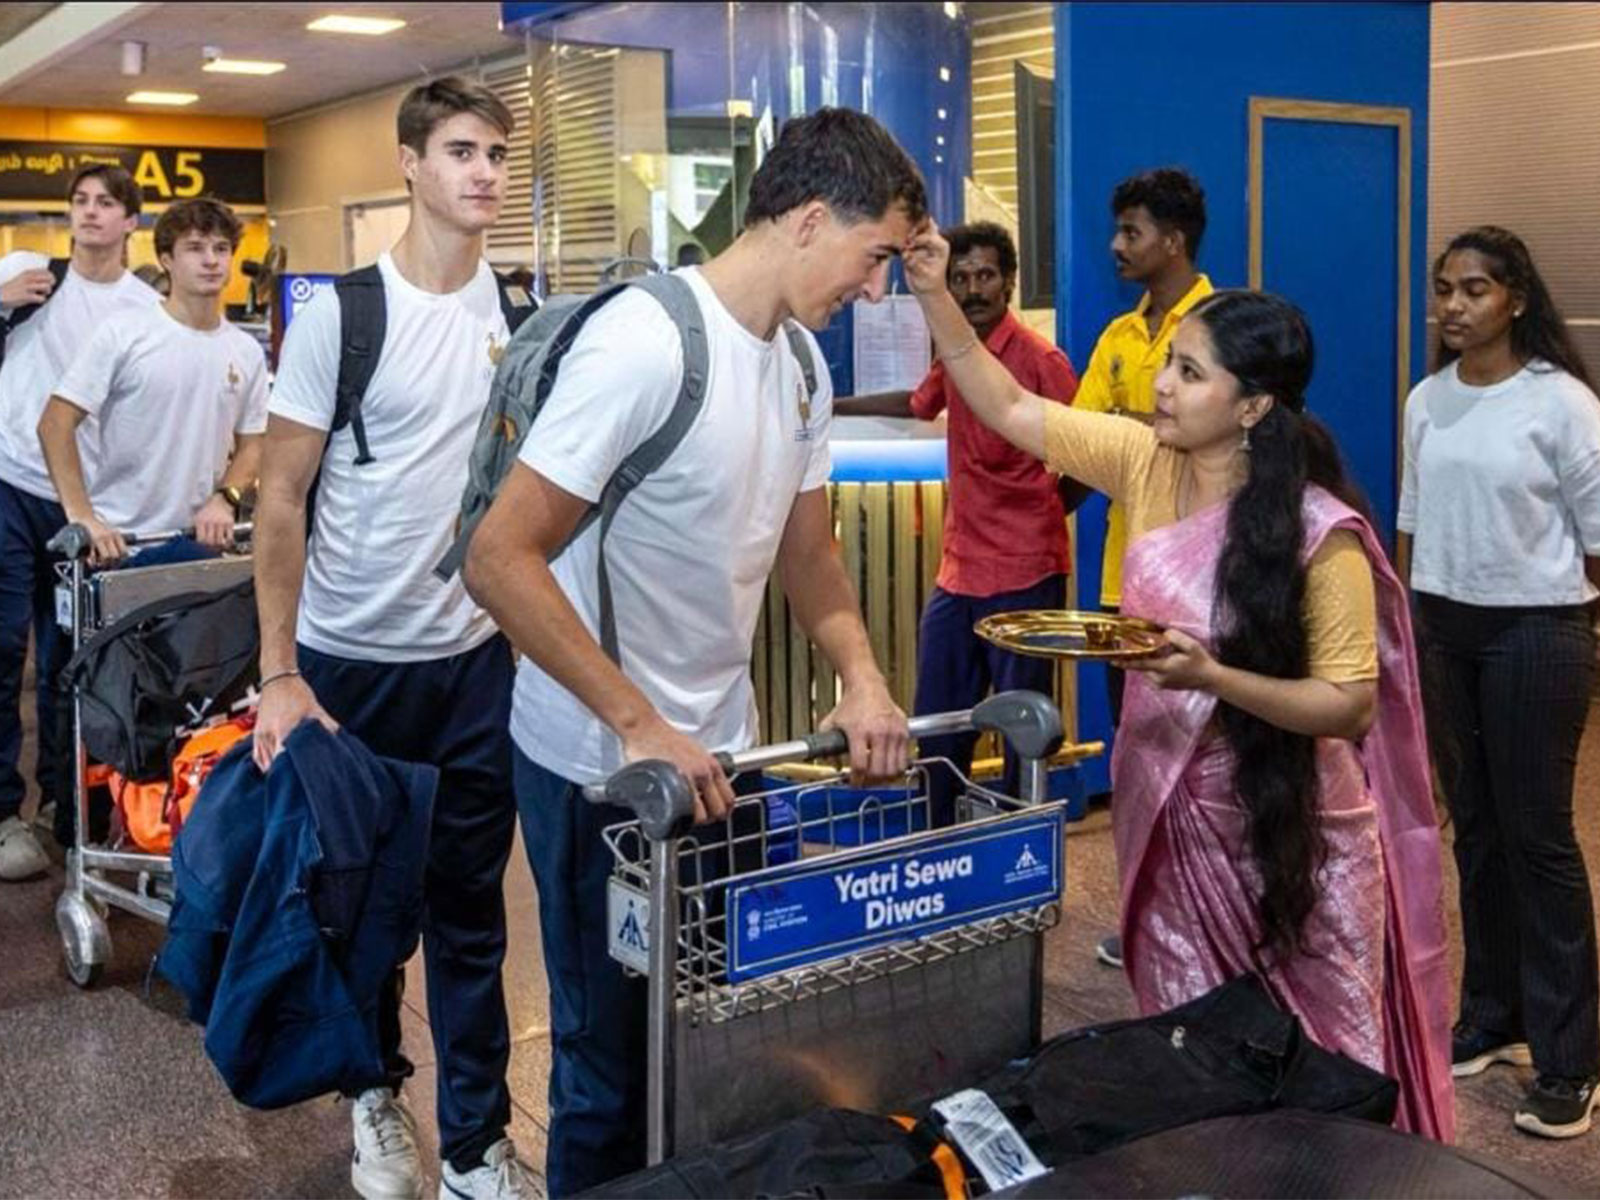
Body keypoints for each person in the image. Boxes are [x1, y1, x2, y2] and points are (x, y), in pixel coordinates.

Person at [901, 221, 1455, 1141]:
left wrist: (1213, 677)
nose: (1161, 385)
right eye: (1170, 365)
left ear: (1252, 407)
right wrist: (930, 291)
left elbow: (1347, 702)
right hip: (1167, 818)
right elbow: (1008, 407)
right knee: (1192, 1053)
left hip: (1294, 836)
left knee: (1319, 1063)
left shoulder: (1321, 535)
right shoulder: (1142, 461)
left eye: (1191, 373)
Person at [463, 107, 918, 1195]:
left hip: (721, 766)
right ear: (811, 220)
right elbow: (499, 558)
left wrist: (860, 673)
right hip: (599, 770)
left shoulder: (801, 367)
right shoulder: (647, 344)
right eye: (875, 256)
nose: (875, 288)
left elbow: (807, 555)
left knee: (717, 1038)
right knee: (607, 1067)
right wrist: (637, 724)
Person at [251, 78, 538, 1200]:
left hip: (473, 663)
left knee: (471, 912)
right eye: (462, 150)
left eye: (498, 155)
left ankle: (473, 1141)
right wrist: (279, 671)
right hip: (347, 667)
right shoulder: (341, 314)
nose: (483, 172)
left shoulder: (516, 319)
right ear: (410, 164)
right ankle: (373, 1095)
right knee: (362, 911)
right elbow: (281, 500)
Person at [1400, 225, 1600, 1140]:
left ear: (1516, 298)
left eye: (1472, 289)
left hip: (1538, 630)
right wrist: (1406, 623)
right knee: (1474, 826)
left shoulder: (1561, 403)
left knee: (1538, 837)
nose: (1451, 305)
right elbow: (1411, 520)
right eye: (1443, 289)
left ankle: (1571, 1058)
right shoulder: (1426, 400)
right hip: (1445, 626)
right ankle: (1495, 1015)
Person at [834, 220, 1078, 824]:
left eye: (985, 276)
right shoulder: (957, 352)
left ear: (1009, 283)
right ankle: (941, 856)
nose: (972, 289)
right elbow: (918, 403)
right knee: (940, 731)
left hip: (1024, 574)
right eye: (961, 277)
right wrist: (832, 403)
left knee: (1024, 734)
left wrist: (1041, 515)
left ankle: (1024, 870)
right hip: (959, 572)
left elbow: (1085, 460)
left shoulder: (1041, 361)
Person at [1071, 168, 1213, 970]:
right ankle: (1142, 919)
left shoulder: (1222, 327)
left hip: (1201, 589)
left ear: (1174, 240)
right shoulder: (1120, 339)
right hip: (1123, 586)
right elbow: (1085, 440)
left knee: (1203, 770)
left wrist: (1140, 431)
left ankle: (1206, 922)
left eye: (1131, 232)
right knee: (1136, 762)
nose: (1117, 246)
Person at [0, 163, 157, 880]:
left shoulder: (141, 306)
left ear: (132, 222)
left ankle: (62, 804)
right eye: (81, 201)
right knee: (3, 652)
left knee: (69, 664)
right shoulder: (29, 273)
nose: (91, 213)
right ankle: (4, 813)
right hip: (7, 484)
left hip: (82, 507)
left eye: (108, 204)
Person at [38, 197, 265, 571]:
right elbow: (54, 423)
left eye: (221, 249)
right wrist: (83, 516)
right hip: (119, 544)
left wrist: (226, 498)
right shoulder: (125, 333)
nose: (211, 260)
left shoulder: (245, 350)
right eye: (195, 248)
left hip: (197, 544)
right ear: (166, 260)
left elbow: (254, 443)